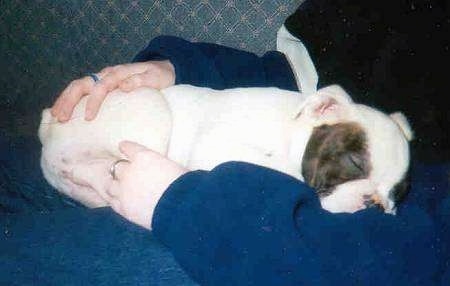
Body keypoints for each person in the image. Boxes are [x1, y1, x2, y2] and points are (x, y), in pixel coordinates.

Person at [1, 1, 449, 285]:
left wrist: (181, 203)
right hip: (156, 154)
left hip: (279, 244)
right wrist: (180, 68)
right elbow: (293, 77)